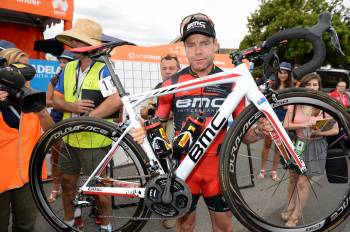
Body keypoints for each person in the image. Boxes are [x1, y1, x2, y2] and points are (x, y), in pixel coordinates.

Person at [130, 13, 271, 232]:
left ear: (216, 45)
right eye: (191, 44)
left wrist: (261, 130)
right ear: (184, 49)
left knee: (224, 227)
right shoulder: (172, 83)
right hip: (184, 169)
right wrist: (141, 128)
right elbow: (157, 122)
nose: (198, 51)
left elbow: (244, 135)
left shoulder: (231, 82)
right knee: (185, 226)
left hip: (219, 169)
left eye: (205, 43)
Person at [53, 18, 122, 232]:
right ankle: (70, 220)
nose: (72, 44)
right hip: (70, 138)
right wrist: (72, 107)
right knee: (66, 182)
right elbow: (56, 100)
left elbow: (115, 100)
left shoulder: (102, 69)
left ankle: (106, 224)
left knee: (100, 189)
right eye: (72, 40)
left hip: (95, 141)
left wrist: (88, 117)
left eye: (76, 40)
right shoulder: (69, 67)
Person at [0, 48, 54, 232]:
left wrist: (41, 111)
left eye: (28, 66)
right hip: (1, 178)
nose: (25, 71)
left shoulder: (32, 96)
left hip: (28, 176)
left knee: (25, 226)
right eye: (18, 66)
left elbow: (51, 133)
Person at [282, 72, 339, 227]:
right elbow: (286, 125)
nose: (312, 87)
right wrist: (303, 125)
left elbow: (335, 130)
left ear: (319, 87)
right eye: (309, 84)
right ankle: (289, 206)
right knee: (293, 178)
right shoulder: (295, 103)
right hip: (299, 144)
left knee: (303, 181)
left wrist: (318, 131)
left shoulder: (323, 105)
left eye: (315, 85)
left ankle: (295, 216)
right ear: (304, 85)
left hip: (316, 145)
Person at [140, 53, 180, 229]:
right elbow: (143, 111)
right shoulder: (157, 88)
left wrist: (167, 113)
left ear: (178, 69)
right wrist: (157, 112)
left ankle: (175, 212)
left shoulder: (186, 87)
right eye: (164, 68)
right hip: (157, 139)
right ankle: (163, 201)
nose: (168, 71)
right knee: (159, 171)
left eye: (171, 68)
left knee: (176, 172)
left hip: (177, 139)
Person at [46, 50, 76, 203]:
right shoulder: (54, 79)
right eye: (61, 61)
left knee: (74, 160)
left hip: (74, 123)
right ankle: (55, 188)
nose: (62, 64)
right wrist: (66, 104)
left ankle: (74, 192)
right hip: (57, 121)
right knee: (56, 158)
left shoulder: (77, 78)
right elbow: (47, 101)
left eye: (66, 62)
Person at [257, 62, 293, 181]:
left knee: (279, 148)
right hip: (271, 119)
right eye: (280, 72)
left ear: (289, 74)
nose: (282, 75)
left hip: (284, 120)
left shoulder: (291, 88)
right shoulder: (272, 86)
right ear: (277, 73)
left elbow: (293, 106)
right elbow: (265, 102)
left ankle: (274, 172)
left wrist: (288, 107)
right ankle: (262, 170)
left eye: (285, 73)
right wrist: (263, 118)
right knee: (267, 145)